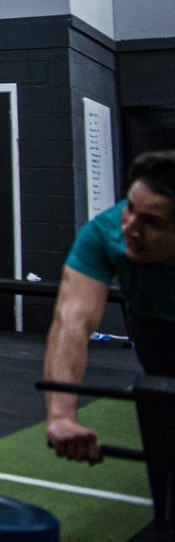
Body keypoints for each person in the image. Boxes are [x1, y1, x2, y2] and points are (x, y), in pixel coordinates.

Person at [44, 150, 175, 464]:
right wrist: (61, 416)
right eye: (130, 207)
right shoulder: (106, 231)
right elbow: (71, 321)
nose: (130, 226)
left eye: (152, 222)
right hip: (155, 332)